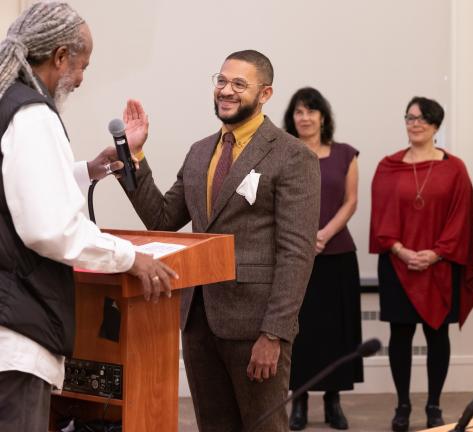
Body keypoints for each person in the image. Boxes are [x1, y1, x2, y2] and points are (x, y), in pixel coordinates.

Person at [119, 50, 320, 432]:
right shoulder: (199, 152)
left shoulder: (293, 156)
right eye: (222, 81)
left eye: (239, 84)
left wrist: (273, 333)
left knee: (263, 427)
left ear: (265, 94)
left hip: (255, 325)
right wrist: (134, 155)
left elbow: (296, 253)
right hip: (198, 321)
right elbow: (162, 219)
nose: (226, 91)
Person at [0, 2, 177, 431]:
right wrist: (130, 257)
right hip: (17, 335)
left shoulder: (6, 101)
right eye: (83, 65)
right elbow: (50, 229)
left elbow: (15, 194)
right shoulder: (32, 114)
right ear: (60, 56)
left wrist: (85, 172)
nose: (81, 79)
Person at [370, 96, 473, 431]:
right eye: (409, 117)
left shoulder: (454, 168)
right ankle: (402, 405)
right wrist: (401, 251)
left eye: (421, 118)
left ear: (435, 124)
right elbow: (380, 215)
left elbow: (463, 218)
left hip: (440, 266)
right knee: (400, 336)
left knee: (437, 337)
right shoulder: (388, 165)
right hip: (397, 265)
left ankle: (434, 405)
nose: (414, 123)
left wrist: (436, 253)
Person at [283, 87, 362, 431]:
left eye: (311, 111)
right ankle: (298, 402)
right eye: (299, 112)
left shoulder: (345, 153)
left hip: (337, 256)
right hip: (295, 257)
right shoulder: (284, 153)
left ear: (323, 117)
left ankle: (333, 402)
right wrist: (302, 239)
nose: (305, 117)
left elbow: (351, 201)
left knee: (336, 333)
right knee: (298, 332)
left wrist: (324, 235)